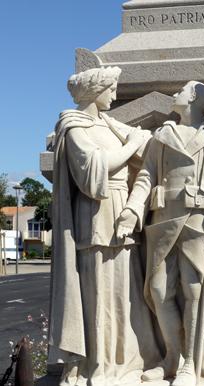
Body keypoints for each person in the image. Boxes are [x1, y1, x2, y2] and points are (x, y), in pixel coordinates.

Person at [117, 72, 204, 384]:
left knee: (194, 291)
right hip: (162, 220)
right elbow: (146, 176)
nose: (180, 90)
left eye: (185, 89)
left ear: (196, 102)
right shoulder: (163, 135)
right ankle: (170, 357)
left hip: (199, 220)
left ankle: (191, 362)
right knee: (159, 291)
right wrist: (133, 208)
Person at [48, 66, 162, 386]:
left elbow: (145, 151)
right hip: (96, 216)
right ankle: (100, 362)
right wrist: (131, 145)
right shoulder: (74, 128)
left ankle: (127, 358)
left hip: (122, 211)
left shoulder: (108, 125)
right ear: (95, 91)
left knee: (125, 292)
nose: (115, 94)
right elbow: (92, 171)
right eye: (111, 88)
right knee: (99, 292)